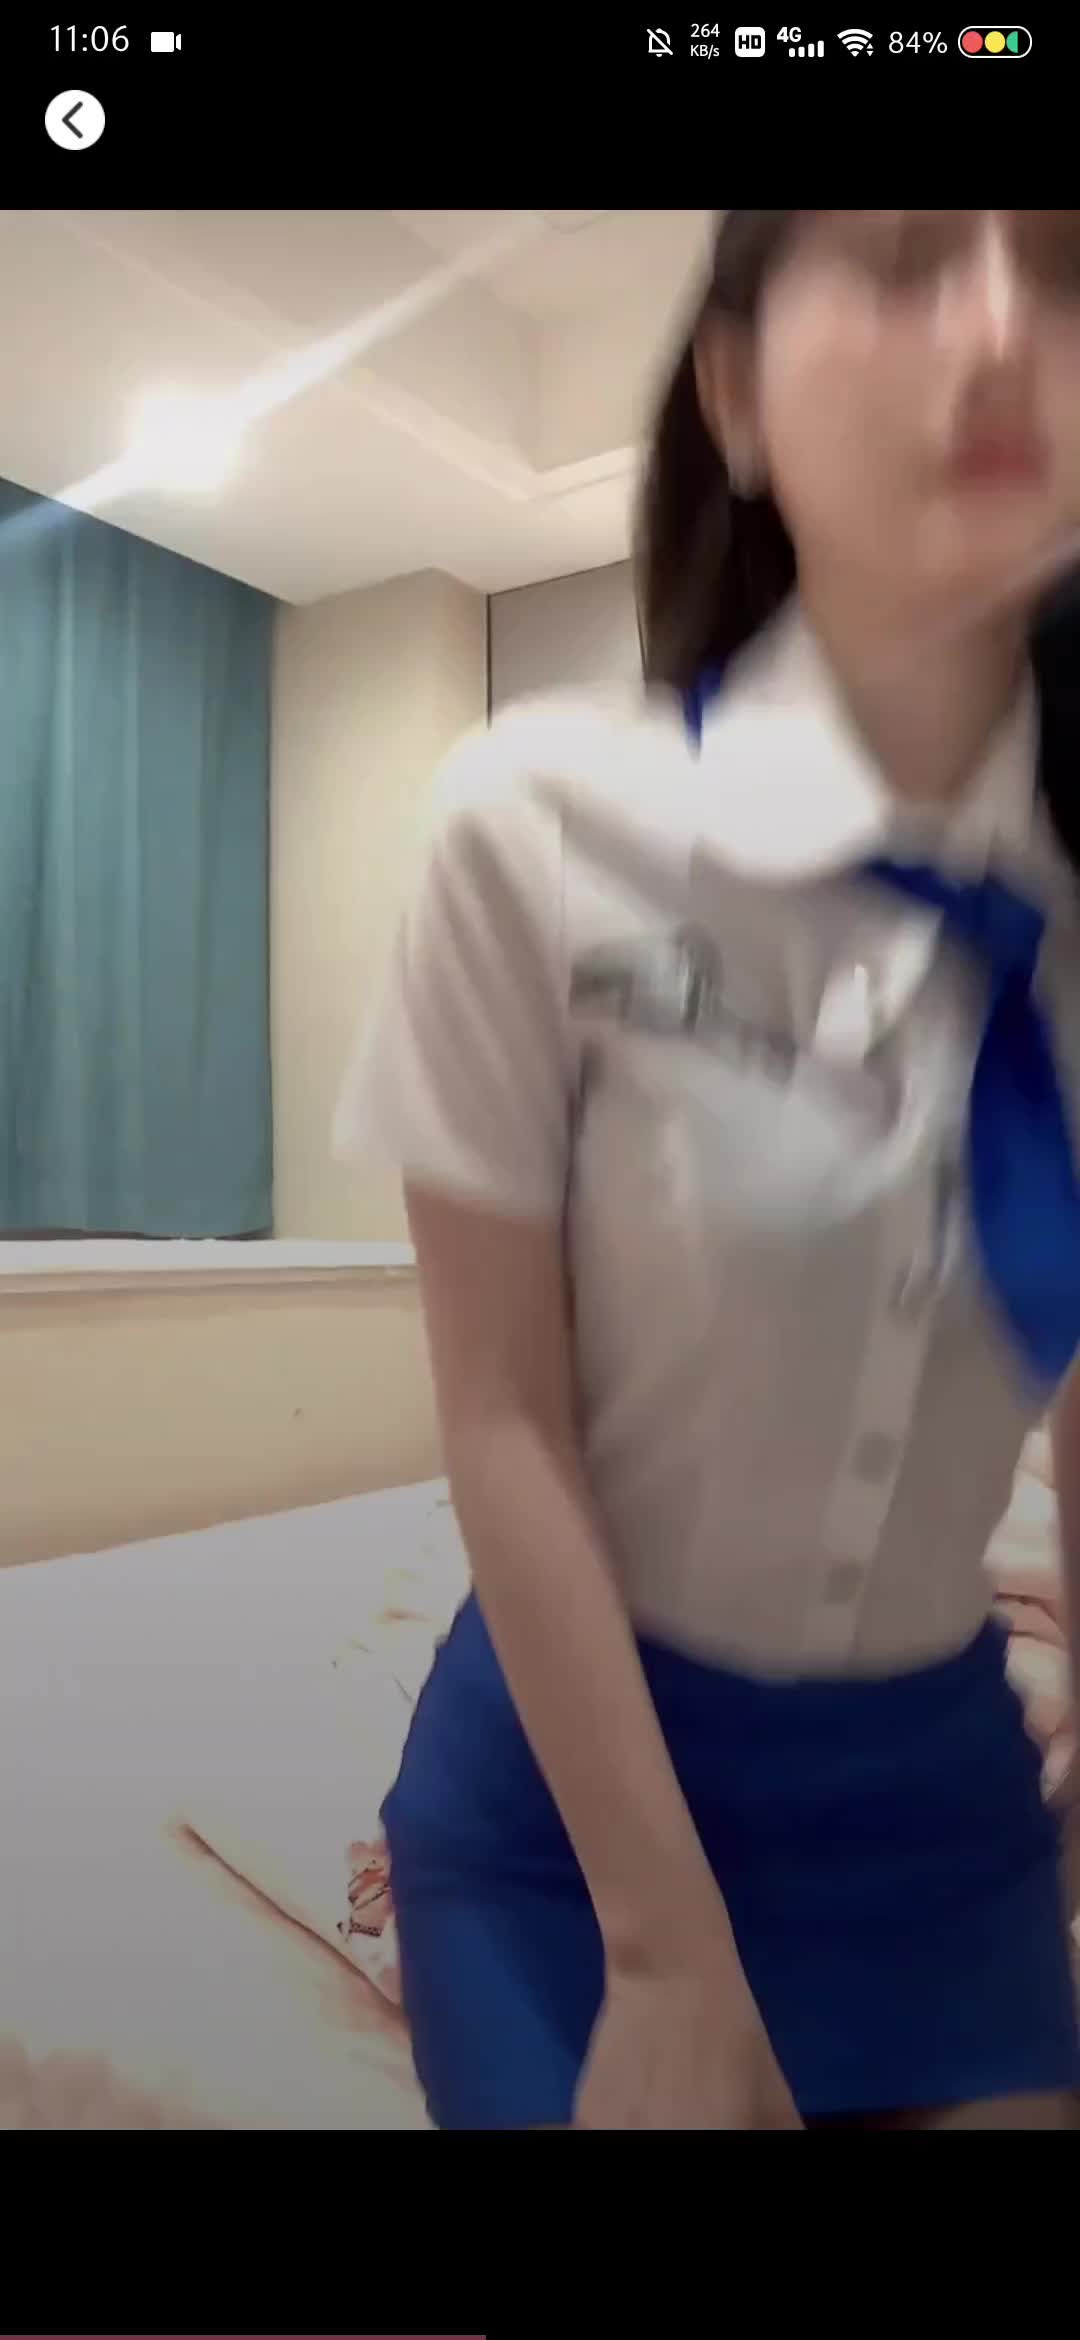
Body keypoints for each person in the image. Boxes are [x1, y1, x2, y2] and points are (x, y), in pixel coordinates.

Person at [335, 210, 1080, 2131]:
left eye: (1071, 268)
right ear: (736, 394)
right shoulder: (534, 825)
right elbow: (499, 1414)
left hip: (939, 1815)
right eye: (907, 259)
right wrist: (666, 1946)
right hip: (576, 1826)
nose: (1004, 328)